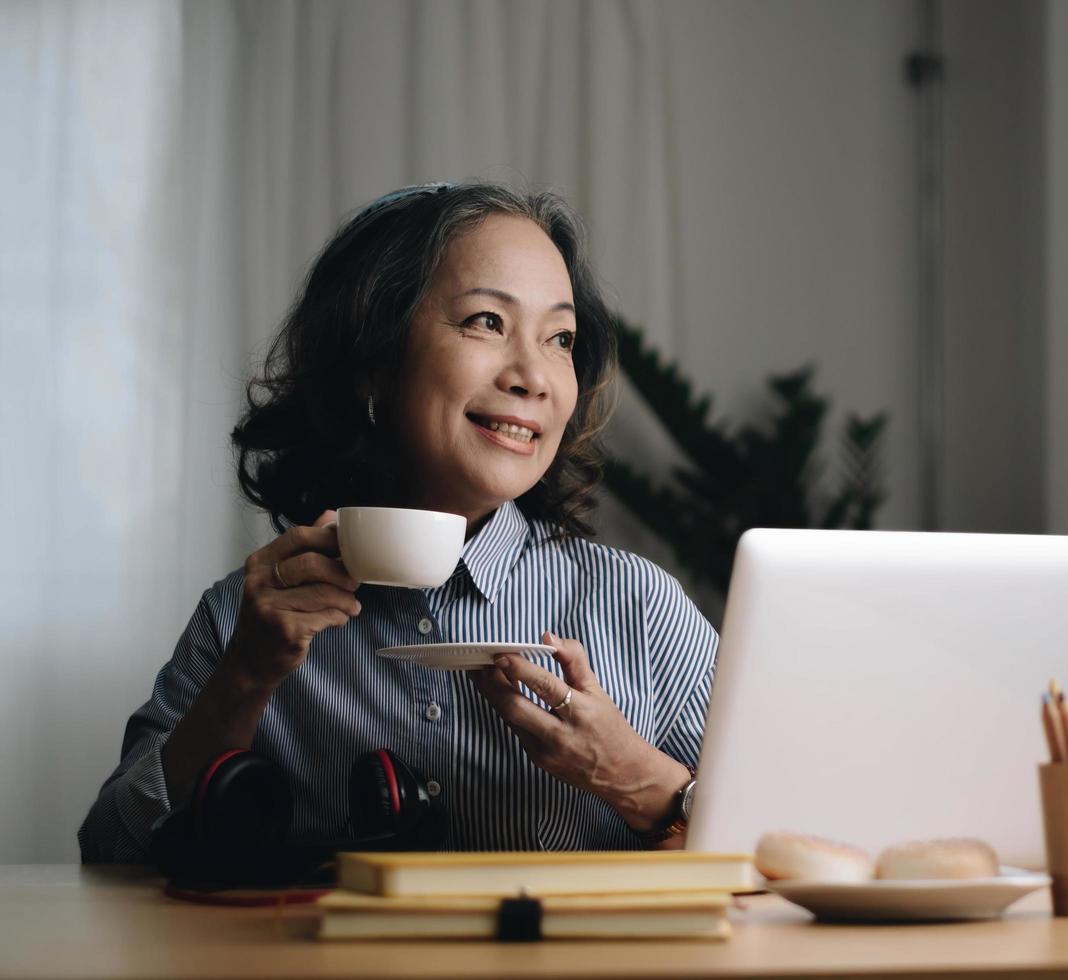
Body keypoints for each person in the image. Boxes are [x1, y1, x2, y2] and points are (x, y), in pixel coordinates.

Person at [79, 182, 715, 860]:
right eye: (486, 322)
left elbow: (806, 840)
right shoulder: (247, 620)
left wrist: (642, 783)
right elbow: (111, 857)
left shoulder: (636, 607)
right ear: (373, 364)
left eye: (560, 338)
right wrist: (242, 680)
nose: (534, 375)